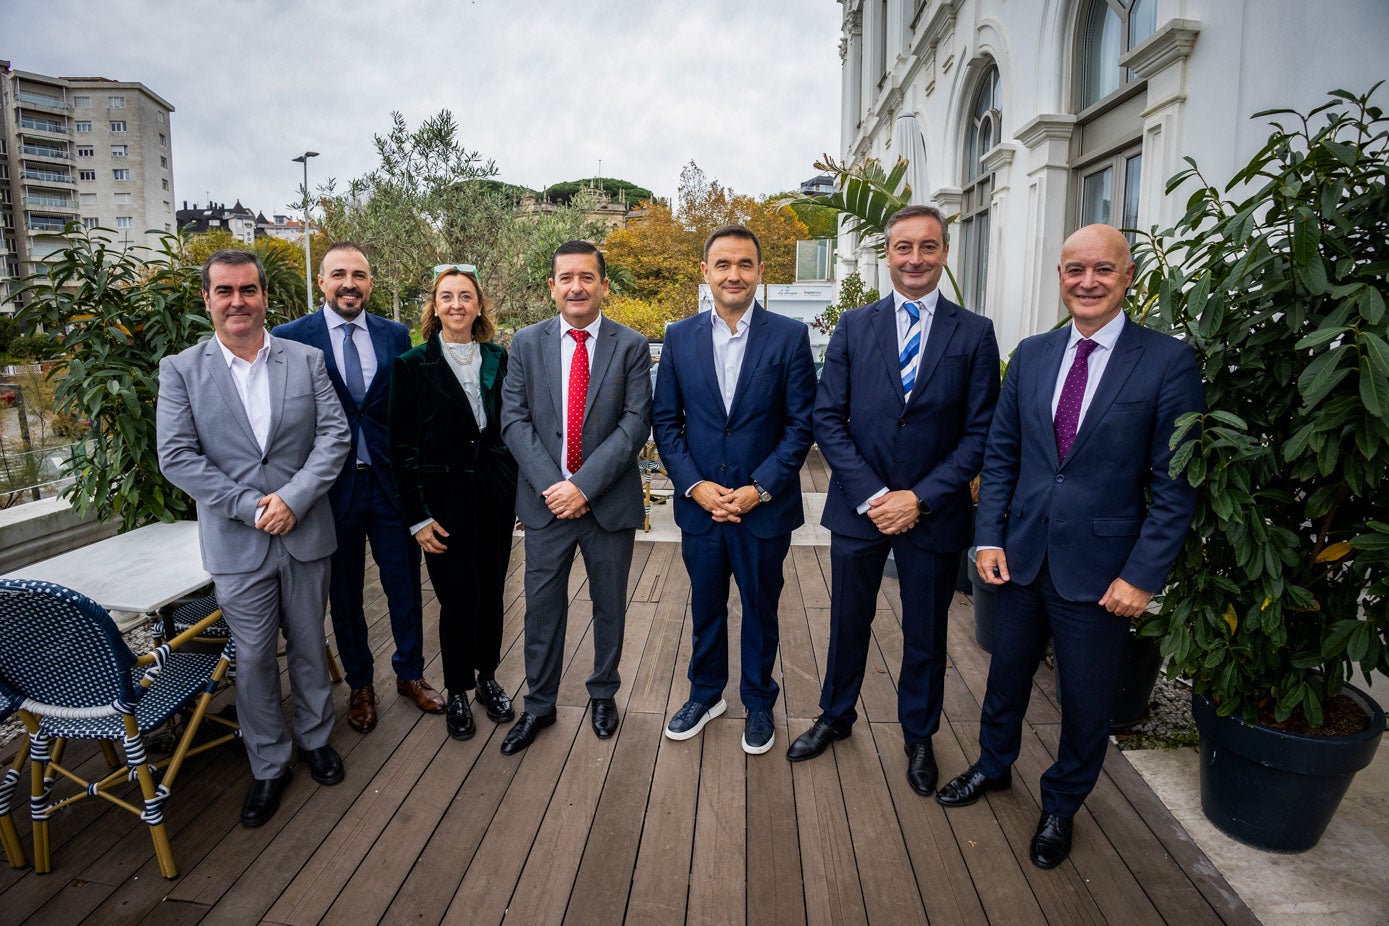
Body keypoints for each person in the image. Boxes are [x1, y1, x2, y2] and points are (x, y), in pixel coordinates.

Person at [937, 224, 1204, 870]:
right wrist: (988, 538)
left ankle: (1060, 804)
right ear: (1059, 276)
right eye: (1074, 270)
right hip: (1020, 556)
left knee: (1086, 701)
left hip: (1102, 570)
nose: (1087, 282)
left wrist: (1142, 575)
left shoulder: (1166, 362)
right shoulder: (1030, 355)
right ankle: (994, 766)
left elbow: (1176, 485)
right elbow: (1002, 457)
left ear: (1128, 276)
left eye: (1102, 270)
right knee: (1004, 678)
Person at [788, 205, 1000, 799]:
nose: (915, 259)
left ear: (944, 253)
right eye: (903, 248)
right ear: (888, 254)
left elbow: (981, 432)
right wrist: (878, 494)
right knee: (847, 621)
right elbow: (827, 418)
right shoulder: (855, 327)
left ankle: (920, 734)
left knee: (927, 632)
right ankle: (836, 714)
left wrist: (920, 497)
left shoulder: (974, 333)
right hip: (861, 506)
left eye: (928, 247)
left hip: (933, 513)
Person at [157, 250, 350, 827]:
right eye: (225, 291)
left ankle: (316, 739)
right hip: (237, 544)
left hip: (305, 529)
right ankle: (269, 764)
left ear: (266, 296)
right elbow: (177, 457)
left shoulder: (306, 359)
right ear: (208, 300)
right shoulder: (182, 370)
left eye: (247, 290)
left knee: (311, 644)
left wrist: (294, 499)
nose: (237, 301)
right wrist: (251, 508)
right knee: (255, 656)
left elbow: (335, 437)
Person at [653, 225, 815, 754]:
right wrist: (695, 486)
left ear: (760, 272)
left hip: (762, 509)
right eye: (722, 264)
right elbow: (666, 422)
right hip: (701, 508)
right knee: (706, 605)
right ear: (705, 272)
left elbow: (800, 425)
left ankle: (759, 700)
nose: (733, 274)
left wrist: (758, 489)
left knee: (761, 609)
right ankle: (706, 694)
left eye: (744, 264)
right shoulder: (679, 336)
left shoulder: (789, 336)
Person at [273, 242, 444, 734]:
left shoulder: (395, 334)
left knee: (405, 587)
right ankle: (361, 684)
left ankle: (409, 674)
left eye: (360, 275)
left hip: (390, 485)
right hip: (330, 489)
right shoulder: (291, 338)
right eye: (340, 274)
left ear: (371, 283)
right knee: (344, 596)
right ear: (323, 282)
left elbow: (404, 407)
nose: (350, 283)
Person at [498, 240, 652, 754]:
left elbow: (634, 425)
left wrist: (583, 487)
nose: (576, 287)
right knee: (541, 609)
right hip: (546, 507)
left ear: (604, 285)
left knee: (609, 605)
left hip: (608, 504)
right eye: (566, 277)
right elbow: (514, 421)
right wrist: (556, 488)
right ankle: (538, 705)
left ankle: (604, 693)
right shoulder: (525, 344)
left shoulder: (629, 345)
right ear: (552, 287)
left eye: (587, 277)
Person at [388, 266, 518, 740]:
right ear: (435, 306)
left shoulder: (498, 359)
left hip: (495, 499)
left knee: (492, 592)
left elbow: (511, 427)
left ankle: (487, 677)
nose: (457, 304)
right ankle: (458, 689)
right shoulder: (412, 364)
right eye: (448, 297)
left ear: (479, 305)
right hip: (440, 506)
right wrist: (417, 516)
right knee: (456, 598)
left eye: (466, 296)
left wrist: (514, 487)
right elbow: (400, 448)